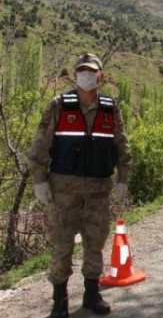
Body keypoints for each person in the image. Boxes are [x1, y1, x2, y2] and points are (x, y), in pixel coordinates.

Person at [28, 53, 132, 318]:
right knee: (62, 244)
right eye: (81, 71)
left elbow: (122, 144)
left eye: (91, 71)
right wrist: (39, 179)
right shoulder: (59, 104)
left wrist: (123, 178)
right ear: (74, 75)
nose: (86, 75)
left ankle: (91, 294)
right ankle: (59, 301)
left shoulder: (110, 108)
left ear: (100, 76)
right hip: (64, 191)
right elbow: (41, 143)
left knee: (95, 243)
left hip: (98, 189)